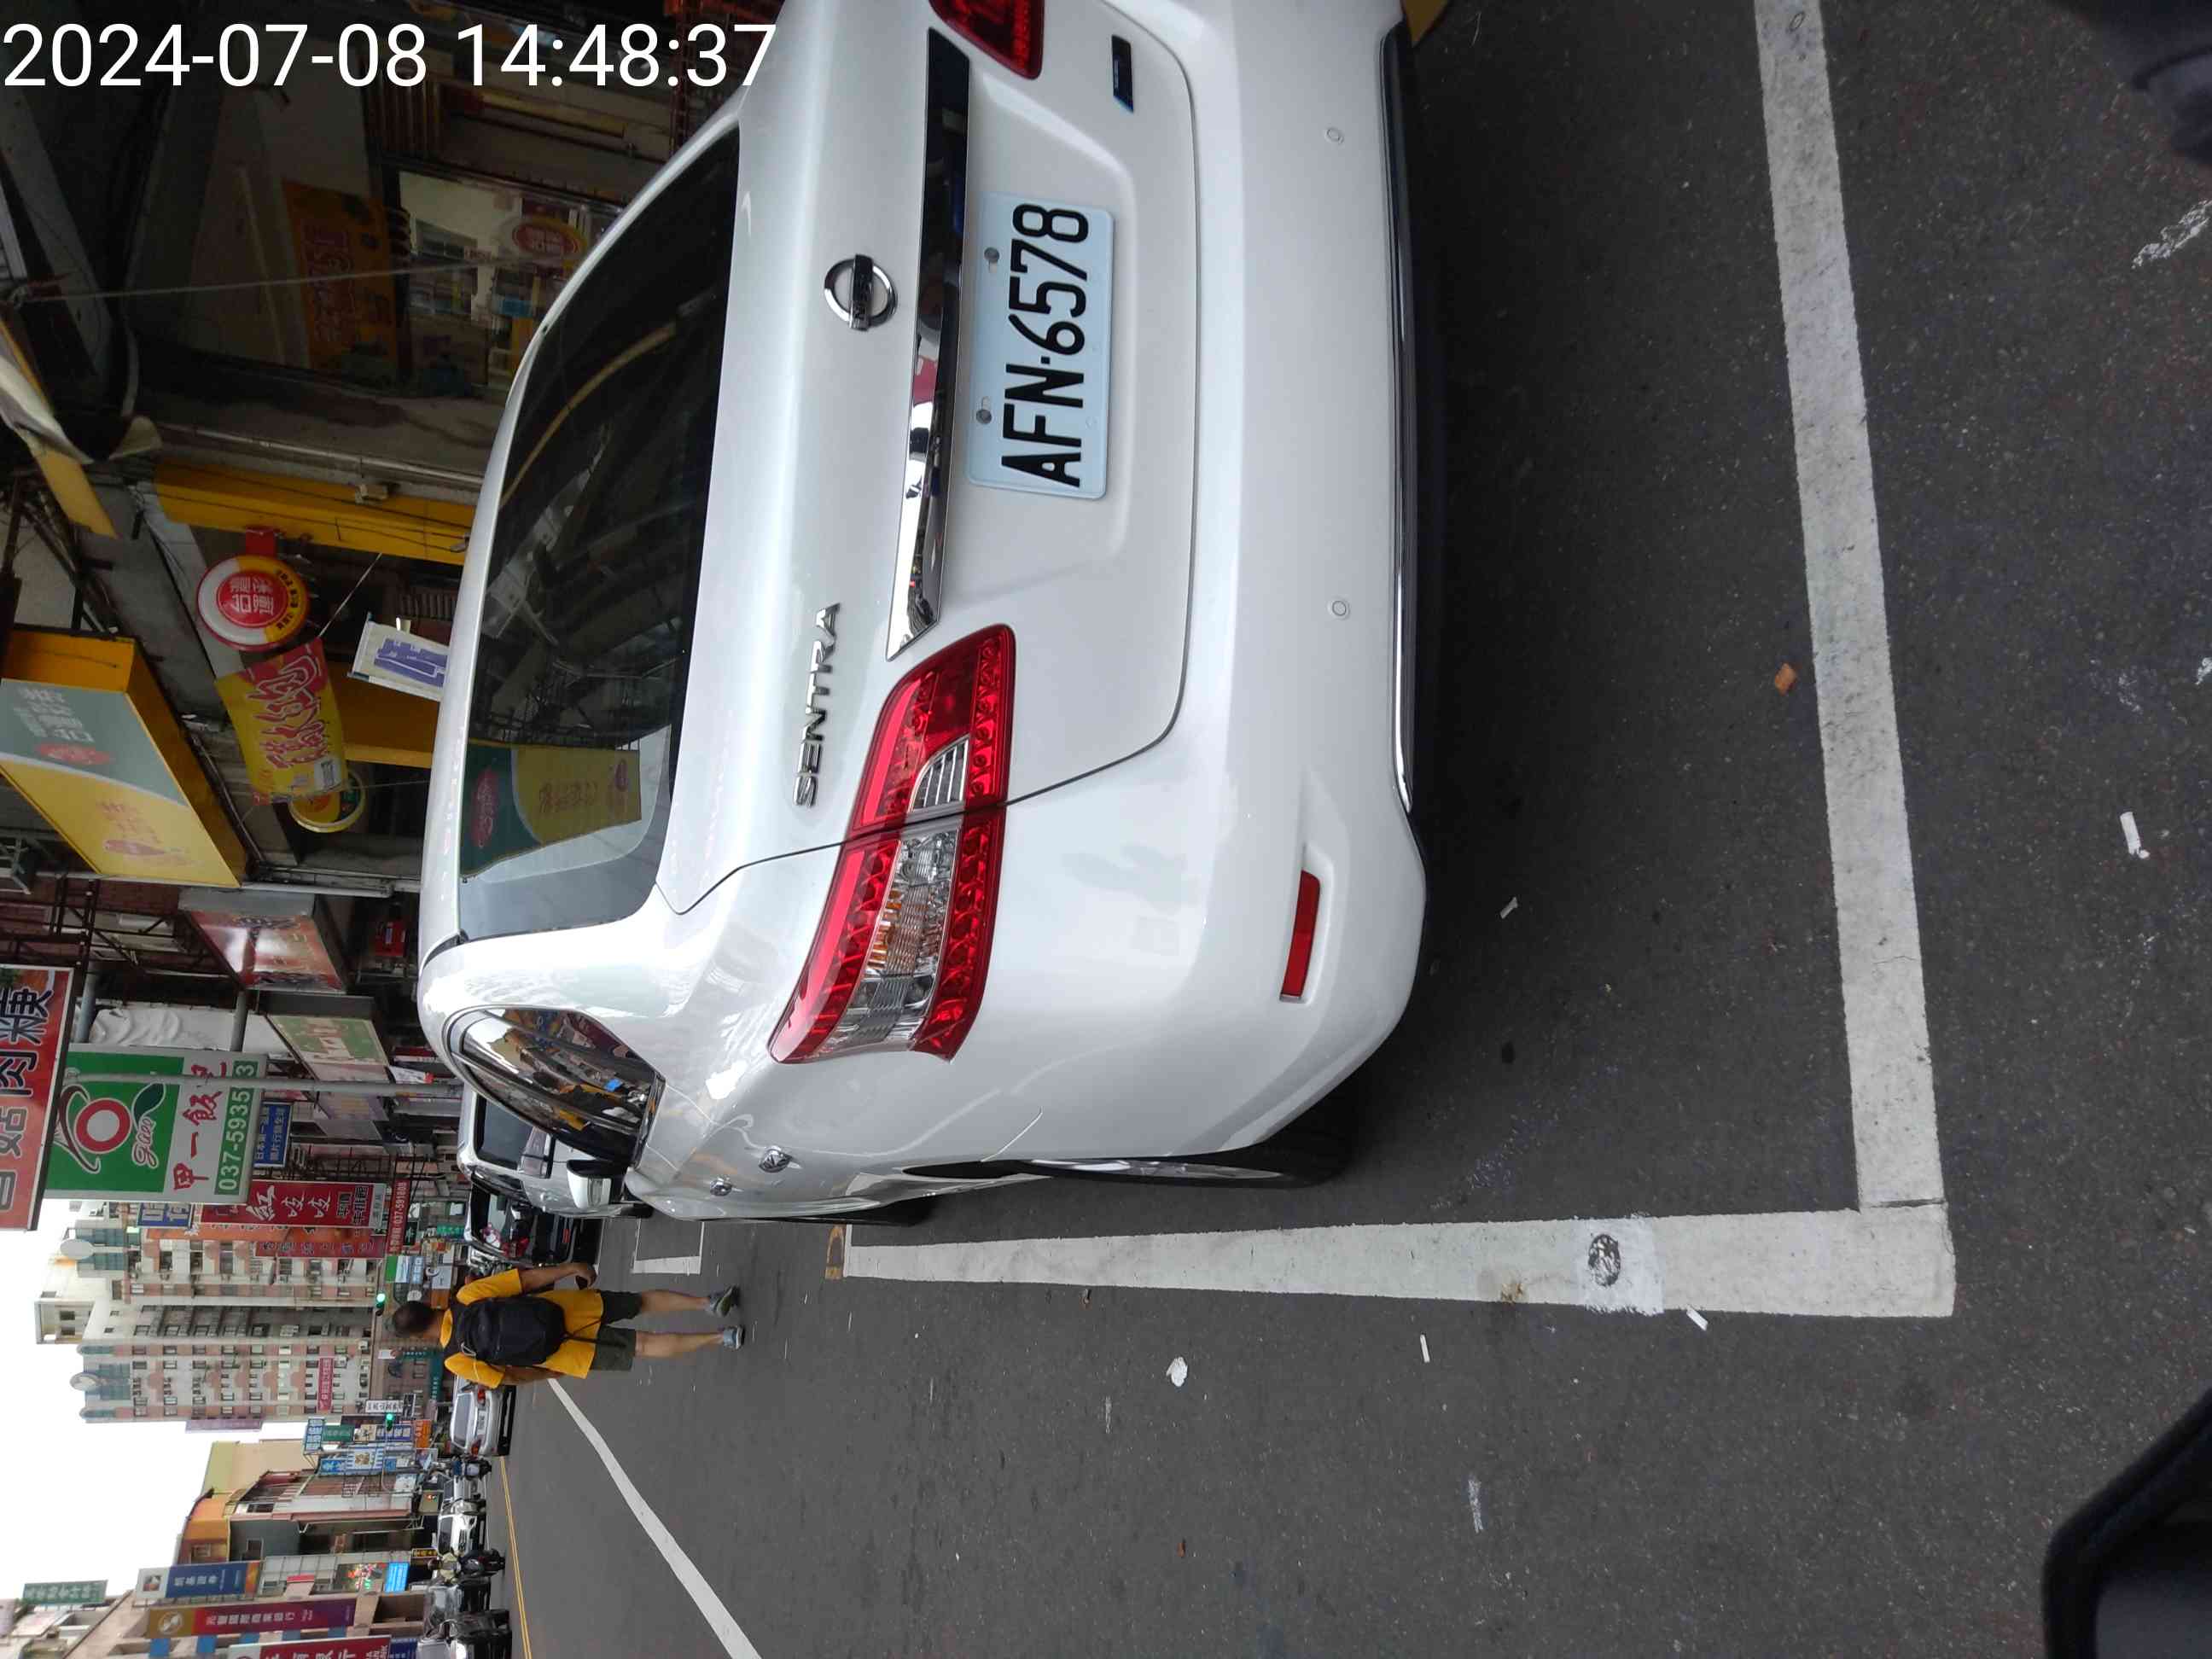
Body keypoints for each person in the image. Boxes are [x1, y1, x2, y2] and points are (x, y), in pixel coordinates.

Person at [387, 1260, 742, 1388]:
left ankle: (721, 1338)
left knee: (644, 1345)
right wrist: (571, 1268)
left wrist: (547, 1373)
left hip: (567, 1353)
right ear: (429, 1305)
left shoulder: (455, 1359)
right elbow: (525, 1281)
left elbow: (508, 1377)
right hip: (570, 1307)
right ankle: (707, 1303)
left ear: (419, 1336)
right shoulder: (467, 1297)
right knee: (642, 1302)